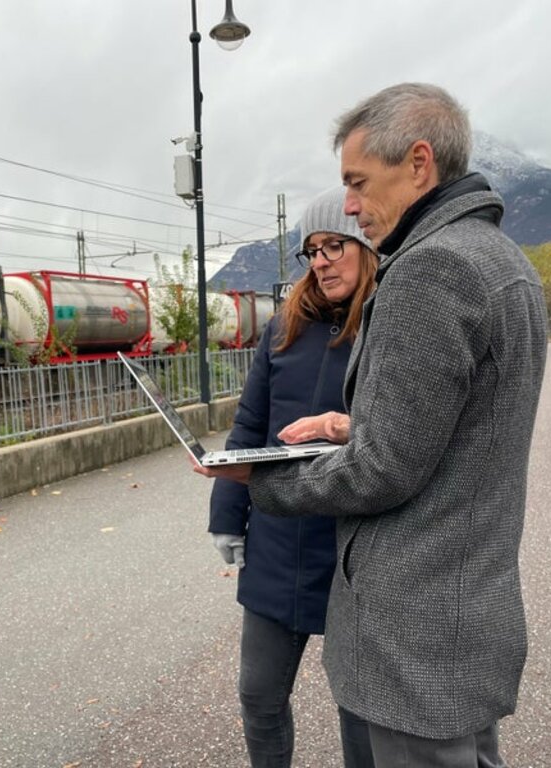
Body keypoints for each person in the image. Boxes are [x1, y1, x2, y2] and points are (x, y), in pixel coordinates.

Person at [196, 83, 549, 767]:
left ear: (419, 164)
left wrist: (254, 477)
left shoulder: (430, 271)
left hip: (414, 626)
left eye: (357, 183)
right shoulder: (505, 262)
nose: (352, 206)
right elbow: (456, 437)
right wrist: (355, 427)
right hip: (465, 611)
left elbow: (384, 469)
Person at [209, 186, 378, 768]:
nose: (323, 260)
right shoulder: (283, 329)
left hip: (355, 544)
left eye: (336, 244)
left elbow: (405, 433)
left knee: (359, 708)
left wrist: (345, 427)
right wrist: (227, 516)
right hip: (279, 538)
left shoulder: (388, 328)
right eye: (312, 250)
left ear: (367, 247)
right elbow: (250, 426)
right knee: (259, 694)